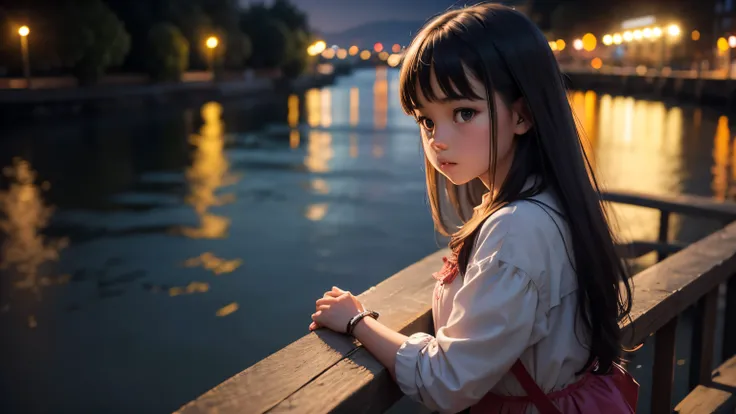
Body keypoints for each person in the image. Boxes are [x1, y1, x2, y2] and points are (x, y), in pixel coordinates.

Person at [309, 3, 639, 413]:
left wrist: (358, 323)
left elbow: (447, 382)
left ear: (521, 115)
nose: (438, 139)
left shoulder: (516, 229)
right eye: (426, 120)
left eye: (463, 112)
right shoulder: (551, 201)